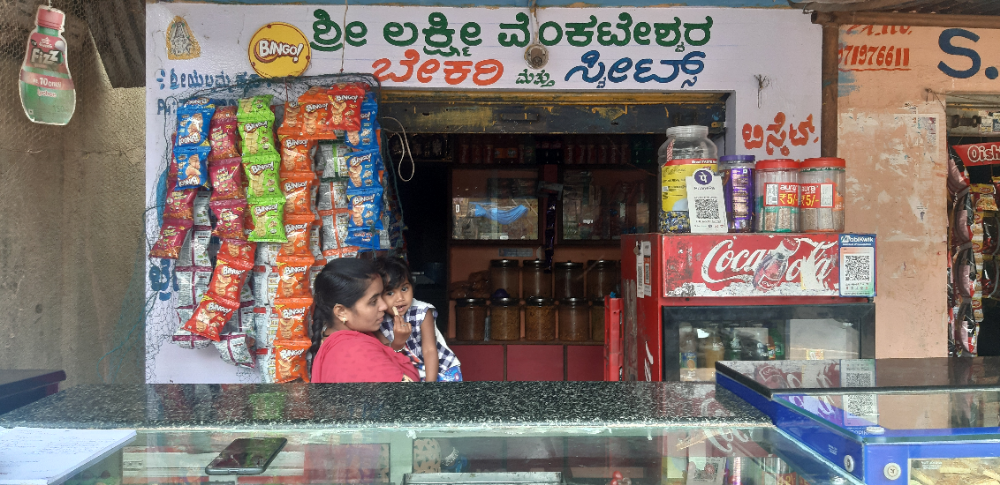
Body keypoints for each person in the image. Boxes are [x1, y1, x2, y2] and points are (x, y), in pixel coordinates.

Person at [310, 258, 419, 383]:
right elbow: (408, 398)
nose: (384, 306)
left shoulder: (353, 338)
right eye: (373, 302)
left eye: (381, 295)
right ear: (341, 312)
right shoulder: (355, 353)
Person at [374, 257, 462, 382]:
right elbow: (389, 354)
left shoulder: (422, 312)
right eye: (390, 293)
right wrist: (398, 342)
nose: (400, 298)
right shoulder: (378, 319)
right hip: (411, 373)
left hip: (441, 370)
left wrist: (429, 386)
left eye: (404, 289)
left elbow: (430, 350)